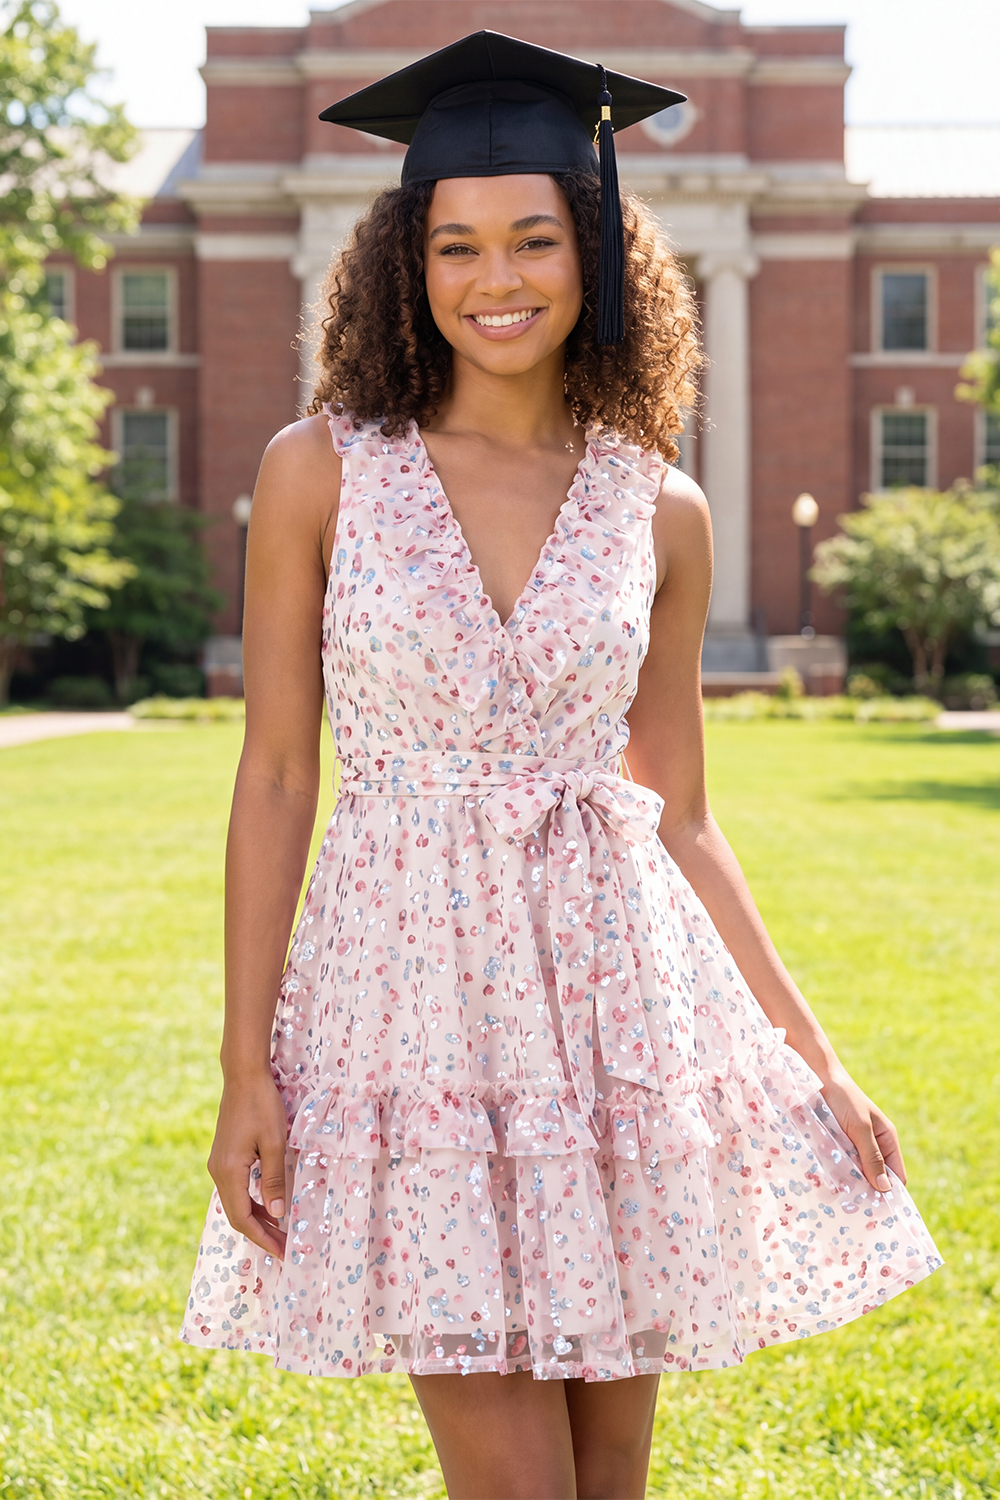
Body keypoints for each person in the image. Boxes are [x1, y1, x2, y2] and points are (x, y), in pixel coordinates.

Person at [181, 32, 942, 1500]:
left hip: (618, 1030)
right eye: (455, 246)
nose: (496, 278)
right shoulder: (319, 469)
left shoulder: (657, 503)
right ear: (410, 265)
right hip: (416, 1021)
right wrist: (244, 1067)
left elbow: (684, 815)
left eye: (534, 237)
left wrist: (816, 1057)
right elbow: (279, 775)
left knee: (609, 1487)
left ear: (595, 250)